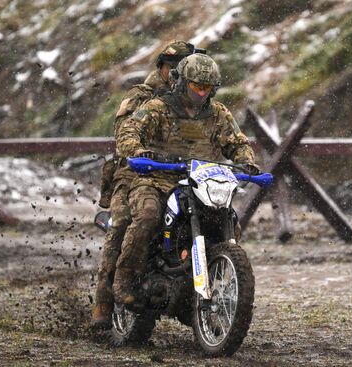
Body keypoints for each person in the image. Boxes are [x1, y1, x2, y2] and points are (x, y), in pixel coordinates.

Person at [112, 53, 259, 307]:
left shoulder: (218, 114)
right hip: (156, 178)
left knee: (229, 222)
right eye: (196, 86)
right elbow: (129, 130)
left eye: (207, 88)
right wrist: (137, 150)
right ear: (182, 82)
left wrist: (246, 161)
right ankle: (124, 279)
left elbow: (237, 142)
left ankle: (214, 281)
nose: (201, 93)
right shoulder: (158, 107)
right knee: (147, 215)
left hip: (201, 182)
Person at [91, 40, 205, 330]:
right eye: (179, 67)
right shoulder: (142, 96)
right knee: (130, 221)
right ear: (166, 68)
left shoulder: (197, 101)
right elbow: (124, 134)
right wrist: (139, 151)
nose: (185, 73)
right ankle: (106, 297)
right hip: (134, 174)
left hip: (182, 174)